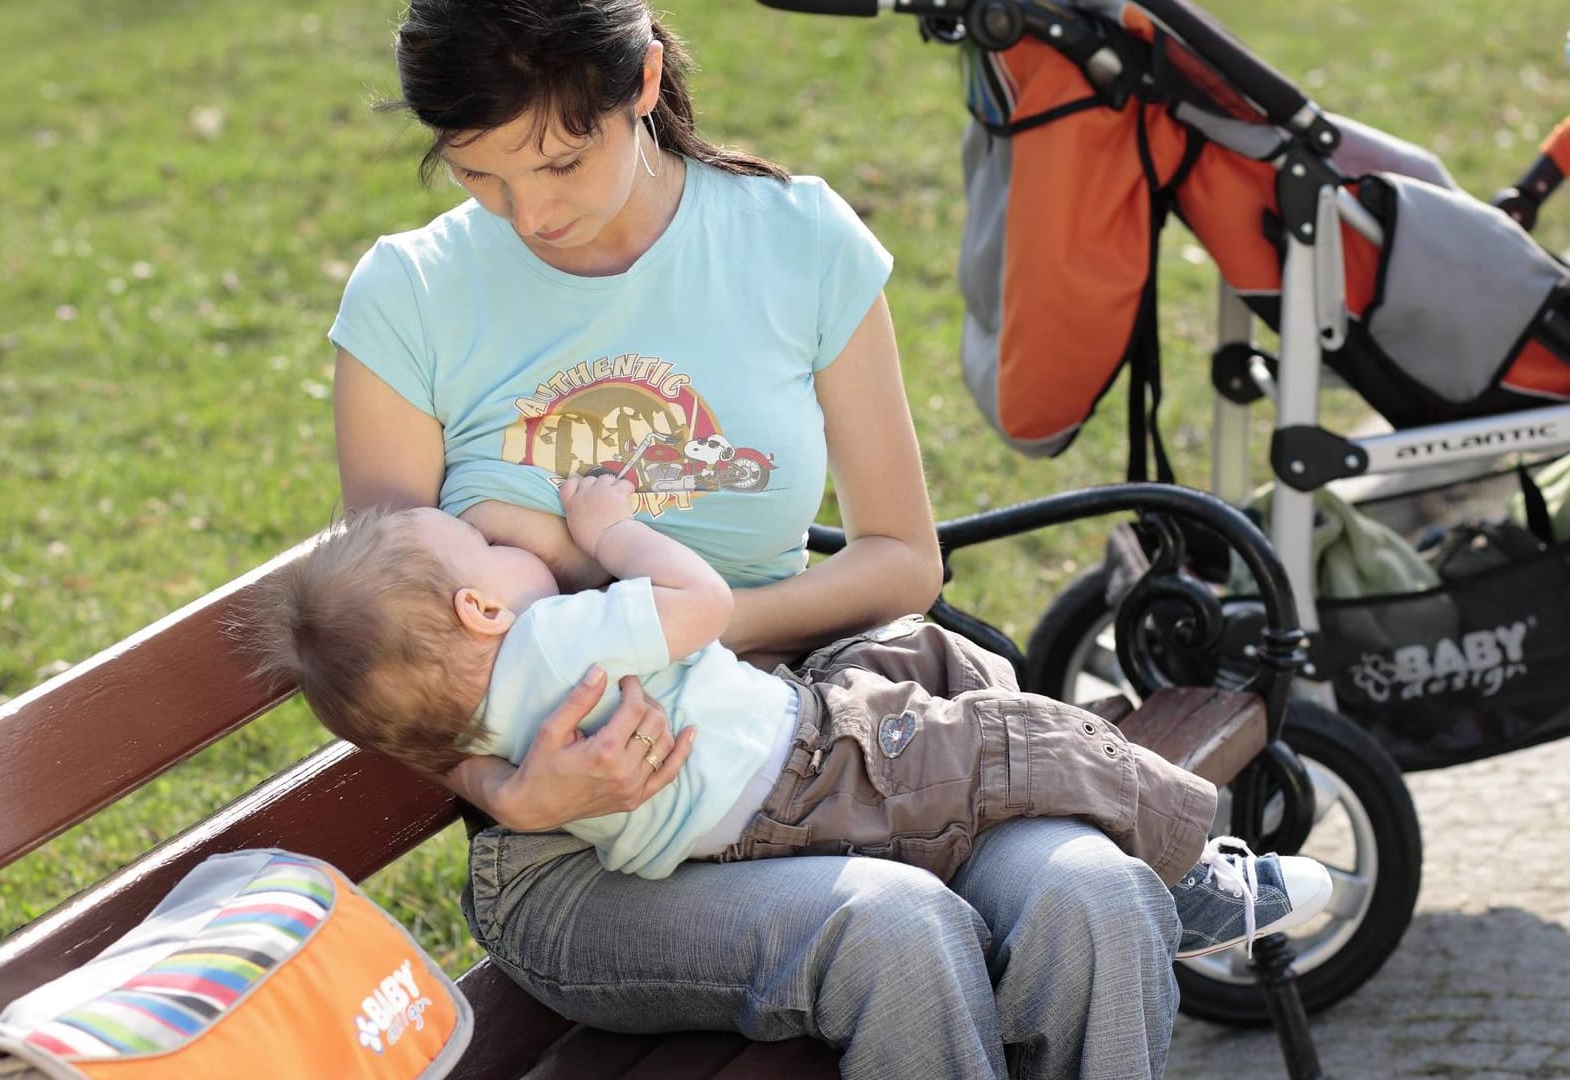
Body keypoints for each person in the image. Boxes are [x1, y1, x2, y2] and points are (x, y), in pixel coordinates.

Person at [327, 0, 1232, 1074]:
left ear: (646, 83)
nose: (528, 214)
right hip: (587, 846)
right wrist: (511, 793)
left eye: (562, 163)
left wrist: (682, 631)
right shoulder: (411, 298)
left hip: (850, 744)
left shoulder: (794, 240)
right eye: (481, 176)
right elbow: (395, 648)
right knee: (896, 930)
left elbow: (902, 558)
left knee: (1097, 898)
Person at [253, 483, 1331, 961]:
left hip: (773, 766)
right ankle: (1190, 874)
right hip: (808, 773)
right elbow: (702, 608)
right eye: (478, 542)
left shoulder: (487, 717)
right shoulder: (554, 645)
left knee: (916, 650)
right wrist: (615, 531)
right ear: (482, 606)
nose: (500, 535)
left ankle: (1062, 761)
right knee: (1011, 745)